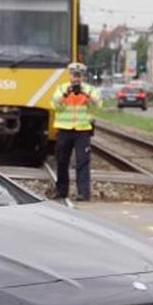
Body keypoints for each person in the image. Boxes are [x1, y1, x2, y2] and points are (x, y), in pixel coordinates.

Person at [50, 62, 100, 201]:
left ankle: (83, 193)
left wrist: (85, 93)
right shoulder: (61, 88)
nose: (76, 78)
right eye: (74, 75)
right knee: (61, 161)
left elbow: (97, 105)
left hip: (82, 130)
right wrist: (67, 93)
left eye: (79, 75)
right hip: (64, 130)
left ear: (83, 76)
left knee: (83, 162)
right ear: (70, 75)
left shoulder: (90, 90)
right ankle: (61, 191)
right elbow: (54, 105)